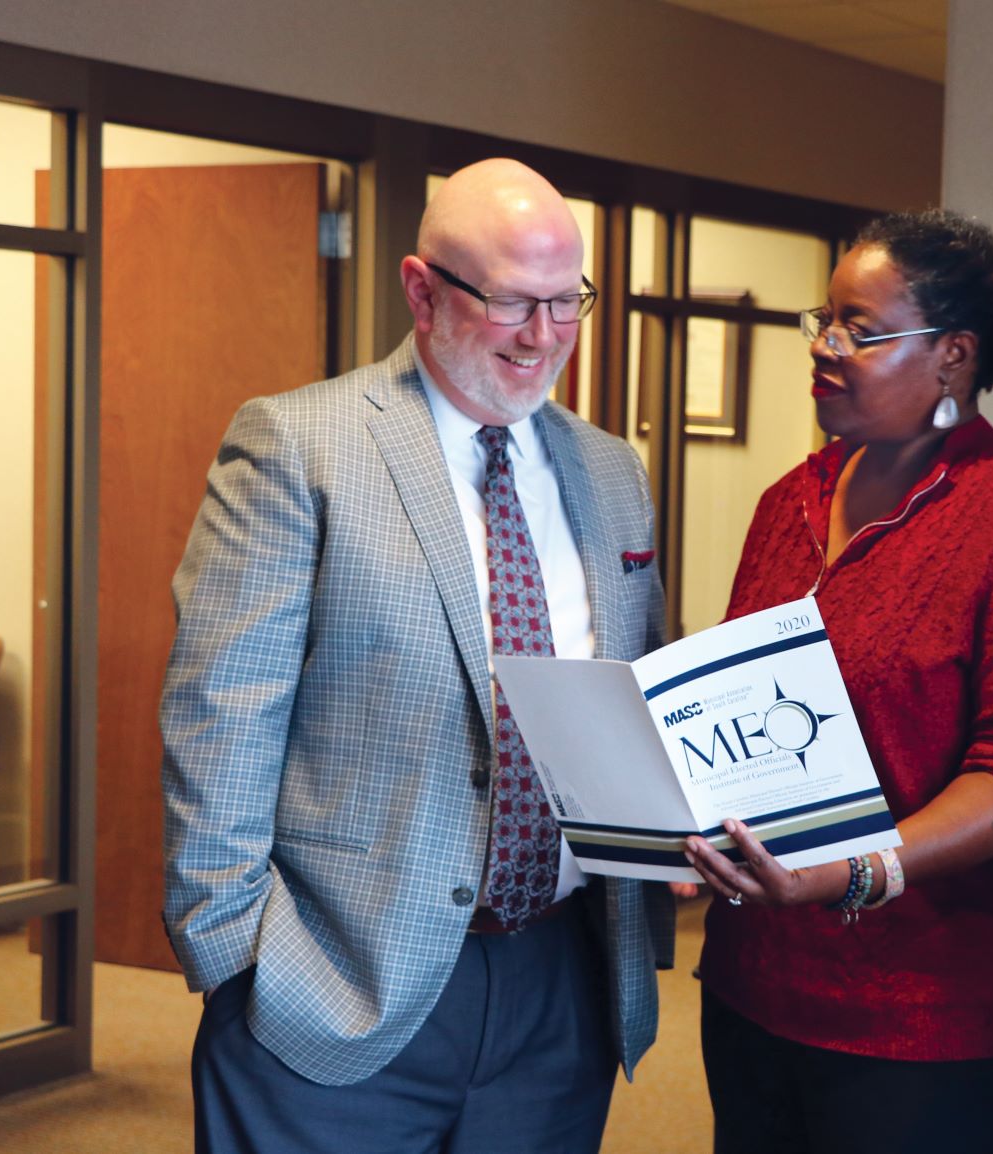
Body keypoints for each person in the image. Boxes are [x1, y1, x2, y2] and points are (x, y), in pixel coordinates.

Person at [161, 159, 674, 1153]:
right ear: (422, 289)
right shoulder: (298, 443)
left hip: (557, 982)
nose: (543, 335)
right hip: (334, 971)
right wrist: (235, 955)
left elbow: (633, 690)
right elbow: (221, 710)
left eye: (565, 302)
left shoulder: (613, 470)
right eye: (511, 302)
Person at [683, 209, 993, 1154]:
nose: (825, 346)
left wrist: (857, 871)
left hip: (937, 1017)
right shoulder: (788, 502)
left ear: (953, 354)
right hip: (757, 987)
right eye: (825, 321)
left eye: (862, 330)